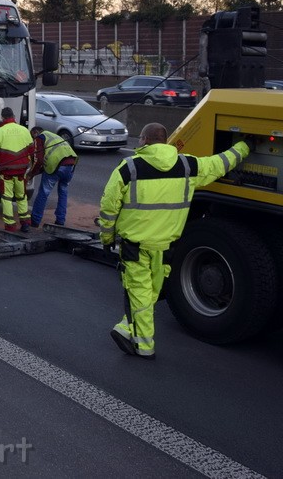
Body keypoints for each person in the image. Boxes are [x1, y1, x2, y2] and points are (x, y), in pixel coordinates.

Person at [99, 122, 252, 360]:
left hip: (135, 247)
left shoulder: (128, 169)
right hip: (167, 247)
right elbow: (221, 163)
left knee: (139, 293)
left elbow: (109, 207)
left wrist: (107, 237)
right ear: (166, 140)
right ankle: (127, 328)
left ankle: (143, 345)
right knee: (150, 292)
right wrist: (245, 145)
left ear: (144, 140)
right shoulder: (188, 165)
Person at [0, 107, 34, 232]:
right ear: (14, 116)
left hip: (6, 172)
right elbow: (31, 150)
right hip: (22, 170)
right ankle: (25, 222)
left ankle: (10, 225)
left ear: (2, 117)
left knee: (7, 198)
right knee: (22, 196)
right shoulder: (24, 130)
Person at [28, 127, 78, 228]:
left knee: (43, 192)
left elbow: (39, 160)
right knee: (63, 192)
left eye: (32, 137)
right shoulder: (55, 136)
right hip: (71, 164)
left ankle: (35, 221)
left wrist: (31, 174)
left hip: (57, 165)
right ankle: (60, 220)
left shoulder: (40, 138)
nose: (33, 140)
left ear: (35, 132)